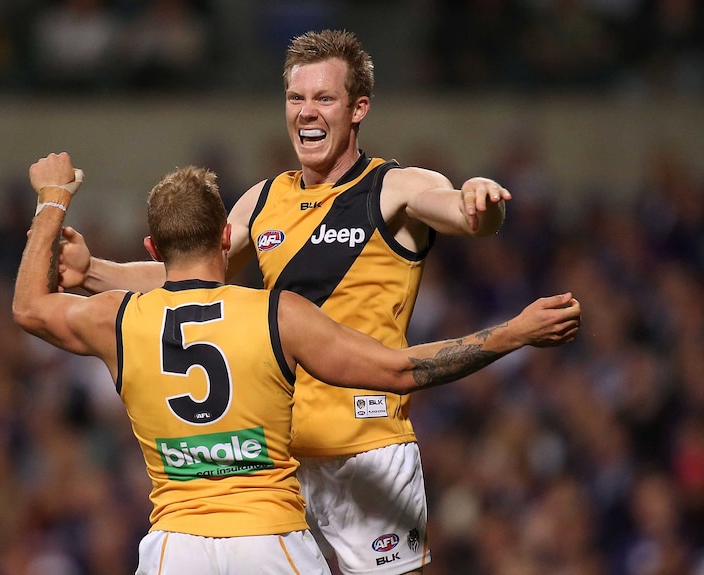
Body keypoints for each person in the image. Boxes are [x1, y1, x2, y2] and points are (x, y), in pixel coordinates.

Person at [54, 30, 526, 575]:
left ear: (358, 109)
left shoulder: (394, 187)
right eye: (296, 98)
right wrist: (92, 272)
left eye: (324, 99)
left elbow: (466, 214)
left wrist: (479, 199)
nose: (307, 112)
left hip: (365, 449)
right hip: (275, 465)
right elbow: (185, 277)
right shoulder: (263, 200)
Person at [15, 152, 579, 574]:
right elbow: (400, 371)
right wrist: (511, 335)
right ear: (231, 237)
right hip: (270, 539)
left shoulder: (117, 320)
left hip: (174, 548)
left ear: (153, 249)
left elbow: (29, 307)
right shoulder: (276, 316)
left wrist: (52, 204)